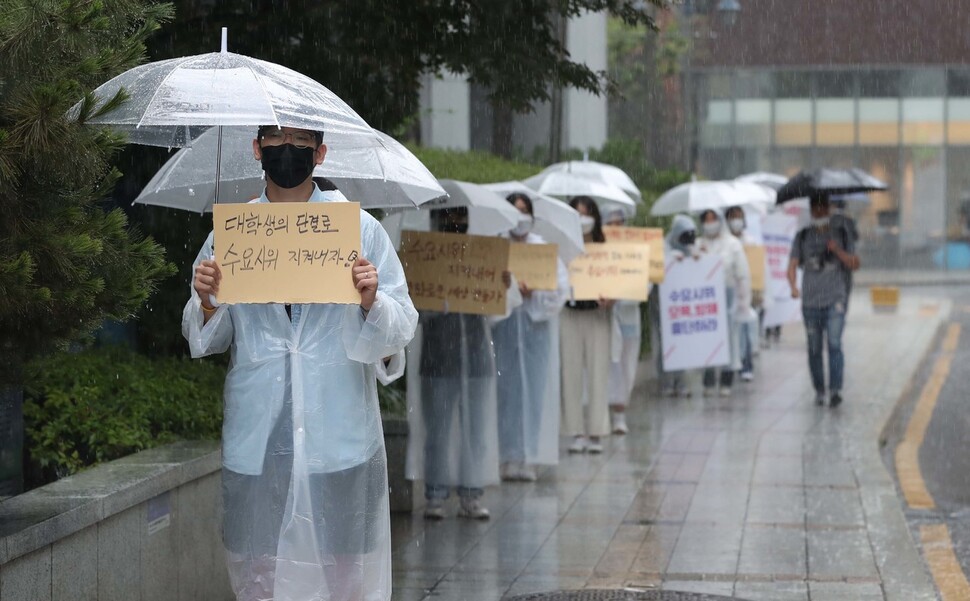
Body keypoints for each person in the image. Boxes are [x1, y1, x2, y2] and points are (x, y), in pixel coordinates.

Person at [184, 125, 418, 601]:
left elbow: (401, 326)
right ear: (257, 149)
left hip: (339, 433)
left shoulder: (358, 231)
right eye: (274, 142)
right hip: (261, 432)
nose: (285, 152)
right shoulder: (233, 233)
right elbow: (206, 336)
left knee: (343, 571)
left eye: (299, 144)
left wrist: (372, 302)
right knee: (258, 570)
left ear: (321, 153)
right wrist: (206, 301)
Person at [405, 207, 513, 520]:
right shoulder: (426, 259)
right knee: (437, 431)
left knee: (475, 431)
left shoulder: (483, 258)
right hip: (437, 359)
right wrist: (435, 303)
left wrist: (503, 287)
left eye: (461, 220)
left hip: (477, 359)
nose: (456, 226)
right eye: (450, 220)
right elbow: (413, 313)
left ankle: (471, 494)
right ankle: (435, 494)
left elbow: (498, 311)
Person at [492, 193, 569, 480]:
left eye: (525, 211)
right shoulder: (497, 246)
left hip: (536, 332)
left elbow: (560, 289)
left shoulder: (542, 250)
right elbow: (486, 288)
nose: (520, 216)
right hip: (504, 331)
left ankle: (528, 456)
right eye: (514, 210)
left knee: (534, 393)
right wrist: (511, 293)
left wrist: (535, 290)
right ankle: (505, 455)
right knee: (506, 392)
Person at [788, 193, 860, 407]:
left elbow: (855, 263)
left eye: (823, 207)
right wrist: (792, 286)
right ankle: (820, 389)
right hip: (810, 302)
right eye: (815, 207)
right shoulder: (802, 236)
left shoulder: (841, 232)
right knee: (814, 348)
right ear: (810, 210)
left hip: (835, 299)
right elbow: (792, 265)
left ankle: (835, 389)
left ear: (828, 208)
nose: (819, 211)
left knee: (835, 343)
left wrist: (837, 250)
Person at [561, 196, 615, 454]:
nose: (582, 219)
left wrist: (612, 297)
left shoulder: (606, 248)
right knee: (570, 373)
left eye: (586, 213)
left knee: (598, 372)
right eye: (576, 214)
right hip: (569, 314)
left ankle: (597, 430)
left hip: (597, 315)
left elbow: (621, 280)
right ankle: (575, 431)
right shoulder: (562, 246)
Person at [696, 208, 751, 397]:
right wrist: (697, 256)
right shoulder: (698, 243)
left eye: (713, 219)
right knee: (708, 339)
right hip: (705, 299)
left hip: (728, 297)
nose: (710, 223)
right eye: (706, 219)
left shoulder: (733, 244)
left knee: (728, 338)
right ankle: (709, 379)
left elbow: (742, 274)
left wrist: (744, 301)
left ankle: (727, 378)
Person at [603, 208, 644, 435]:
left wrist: (622, 294)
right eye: (610, 223)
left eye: (619, 223)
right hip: (603, 318)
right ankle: (602, 412)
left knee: (627, 367)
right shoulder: (595, 253)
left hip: (628, 319)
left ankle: (620, 414)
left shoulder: (634, 252)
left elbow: (644, 285)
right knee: (607, 367)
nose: (615, 228)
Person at [654, 214, 697, 397]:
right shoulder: (663, 247)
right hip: (662, 306)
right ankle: (666, 381)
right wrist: (670, 260)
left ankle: (680, 382)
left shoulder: (691, 250)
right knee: (664, 344)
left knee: (682, 344)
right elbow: (655, 267)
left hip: (682, 308)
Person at [725, 206, 760, 382]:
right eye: (733, 216)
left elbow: (757, 269)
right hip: (729, 292)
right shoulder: (726, 243)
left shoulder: (750, 242)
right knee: (731, 331)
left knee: (745, 329)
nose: (736, 220)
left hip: (746, 292)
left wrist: (757, 291)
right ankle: (730, 365)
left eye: (739, 217)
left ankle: (746, 365)